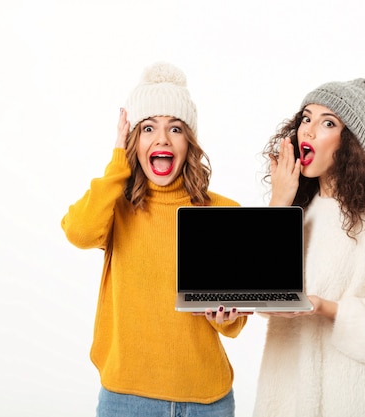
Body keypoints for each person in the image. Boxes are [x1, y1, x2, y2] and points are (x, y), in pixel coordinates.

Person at [61, 61, 251, 417]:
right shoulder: (115, 208)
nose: (162, 138)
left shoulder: (223, 211)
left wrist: (225, 317)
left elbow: (236, 325)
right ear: (134, 140)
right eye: (148, 128)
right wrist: (118, 161)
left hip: (207, 400)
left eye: (175, 128)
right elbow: (79, 231)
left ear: (188, 142)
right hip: (125, 399)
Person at [252, 68, 365, 417]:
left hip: (351, 396)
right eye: (306, 118)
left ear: (350, 142)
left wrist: (326, 307)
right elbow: (263, 297)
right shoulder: (298, 209)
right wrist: (279, 202)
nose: (310, 130)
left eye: (328, 123)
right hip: (288, 393)